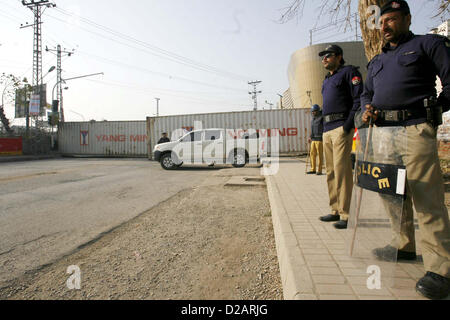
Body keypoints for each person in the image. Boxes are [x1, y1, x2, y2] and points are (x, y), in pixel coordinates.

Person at [359, 0, 450, 299]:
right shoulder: (376, 61)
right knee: (391, 192)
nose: (385, 26)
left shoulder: (428, 44)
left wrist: (438, 108)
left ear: (408, 19)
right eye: (382, 21)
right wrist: (366, 108)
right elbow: (366, 93)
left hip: (415, 128)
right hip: (383, 133)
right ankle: (404, 245)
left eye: (393, 19)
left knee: (426, 195)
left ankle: (441, 269)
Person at [318, 44, 364, 229]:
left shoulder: (349, 72)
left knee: (341, 170)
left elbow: (358, 99)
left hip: (340, 127)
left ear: (338, 56)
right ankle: (335, 210)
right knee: (330, 171)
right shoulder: (327, 79)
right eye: (323, 57)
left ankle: (346, 215)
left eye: (328, 55)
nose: (324, 59)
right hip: (327, 129)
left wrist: (347, 126)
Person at [307, 104, 324, 175]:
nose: (313, 113)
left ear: (318, 111)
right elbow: (312, 129)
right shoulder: (313, 120)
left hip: (320, 139)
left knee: (319, 155)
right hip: (313, 139)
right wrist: (310, 137)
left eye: (314, 111)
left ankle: (319, 170)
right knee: (312, 154)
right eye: (312, 111)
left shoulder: (322, 118)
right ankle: (313, 169)